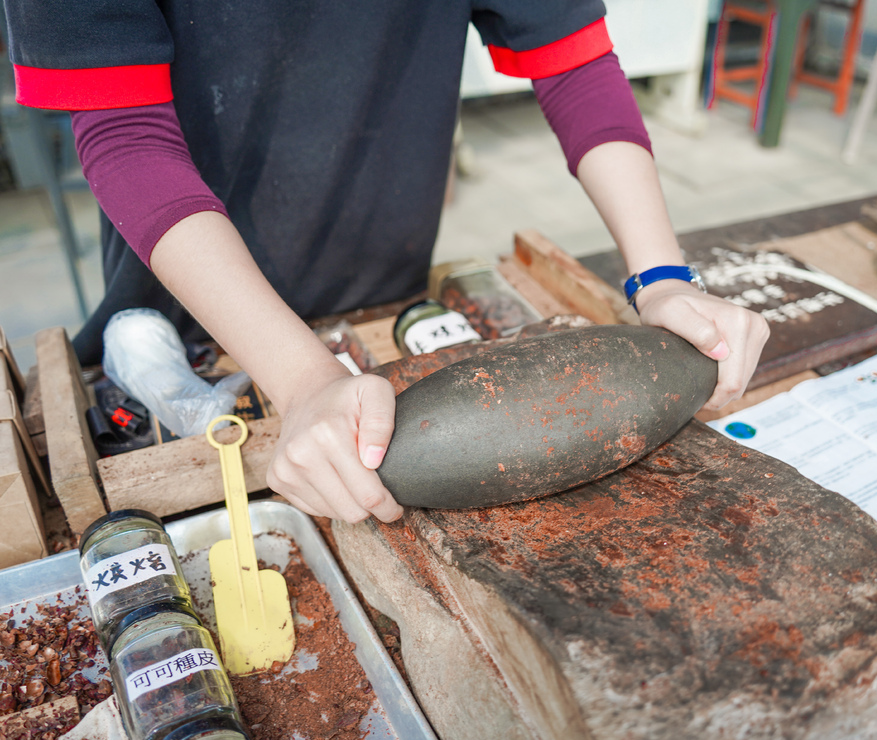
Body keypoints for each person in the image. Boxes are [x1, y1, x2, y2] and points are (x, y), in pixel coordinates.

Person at [6, 0, 769, 525]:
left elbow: (571, 63)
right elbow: (125, 135)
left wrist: (662, 279)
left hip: (382, 291)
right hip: (195, 314)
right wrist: (301, 378)